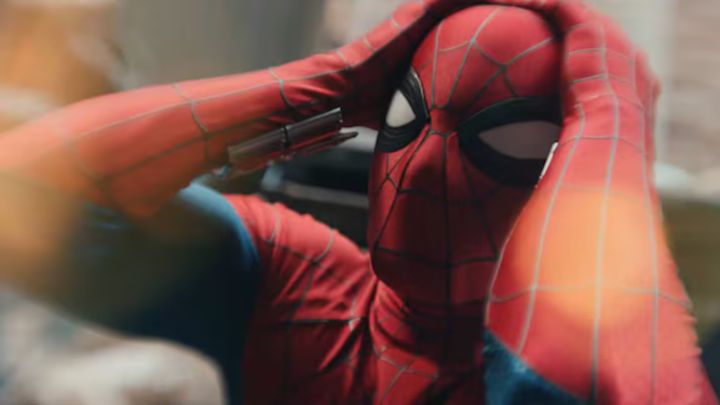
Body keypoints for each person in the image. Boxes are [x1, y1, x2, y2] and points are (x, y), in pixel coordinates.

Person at [0, 0, 715, 404]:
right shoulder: (298, 280)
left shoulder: (573, 361)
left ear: (565, 174)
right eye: (405, 118)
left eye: (501, 141)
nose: (425, 167)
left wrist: (612, 124)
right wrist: (325, 82)